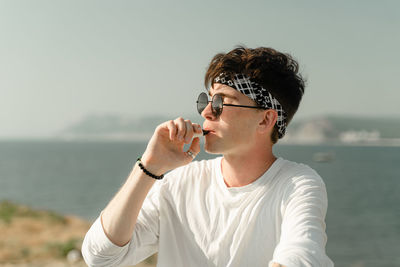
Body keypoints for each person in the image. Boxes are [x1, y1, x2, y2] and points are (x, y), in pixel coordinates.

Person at [82, 46, 334, 267]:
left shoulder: (296, 184)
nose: (207, 112)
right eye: (207, 101)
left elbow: (303, 253)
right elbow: (101, 257)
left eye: (220, 103)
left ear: (266, 119)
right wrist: (149, 167)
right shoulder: (179, 184)